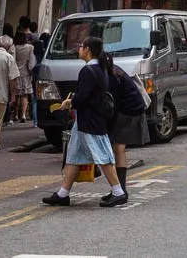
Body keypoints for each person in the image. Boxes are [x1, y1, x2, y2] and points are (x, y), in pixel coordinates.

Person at [42, 36, 126, 208]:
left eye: (81, 46)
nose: (78, 49)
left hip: (90, 122)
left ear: (87, 49)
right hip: (85, 121)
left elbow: (82, 98)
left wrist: (69, 102)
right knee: (73, 156)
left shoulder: (88, 70)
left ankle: (118, 192)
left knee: (102, 156)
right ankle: (63, 194)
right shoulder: (99, 68)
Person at [105, 58, 148, 197]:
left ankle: (120, 189)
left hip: (128, 112)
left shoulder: (111, 77)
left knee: (119, 148)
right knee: (119, 148)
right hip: (131, 110)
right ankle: (119, 188)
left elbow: (112, 103)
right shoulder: (115, 71)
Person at [14, 32, 35, 122]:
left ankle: (15, 114)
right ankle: (23, 115)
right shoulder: (30, 47)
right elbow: (32, 60)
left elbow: (13, 59)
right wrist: (31, 70)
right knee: (24, 94)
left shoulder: (15, 48)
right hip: (26, 73)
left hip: (16, 73)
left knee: (16, 95)